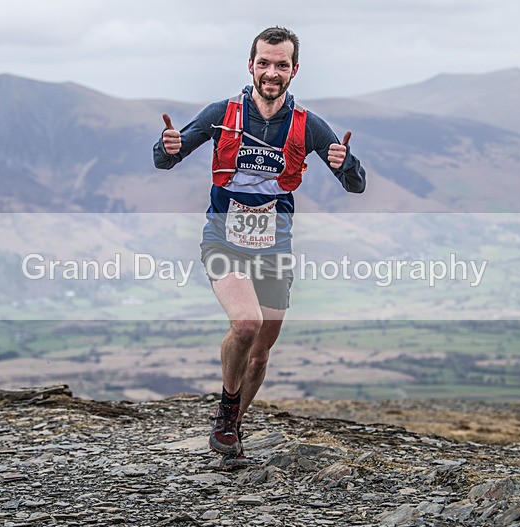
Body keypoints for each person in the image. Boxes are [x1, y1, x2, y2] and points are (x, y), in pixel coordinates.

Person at [153, 26, 366, 469]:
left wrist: (347, 166)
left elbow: (356, 185)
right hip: (223, 239)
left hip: (274, 248)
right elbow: (166, 157)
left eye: (281, 64)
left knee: (261, 353)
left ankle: (231, 429)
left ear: (294, 70)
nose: (272, 72)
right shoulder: (222, 114)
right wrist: (166, 147)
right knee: (246, 326)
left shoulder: (308, 126)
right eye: (264, 63)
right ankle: (227, 416)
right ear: (250, 65)